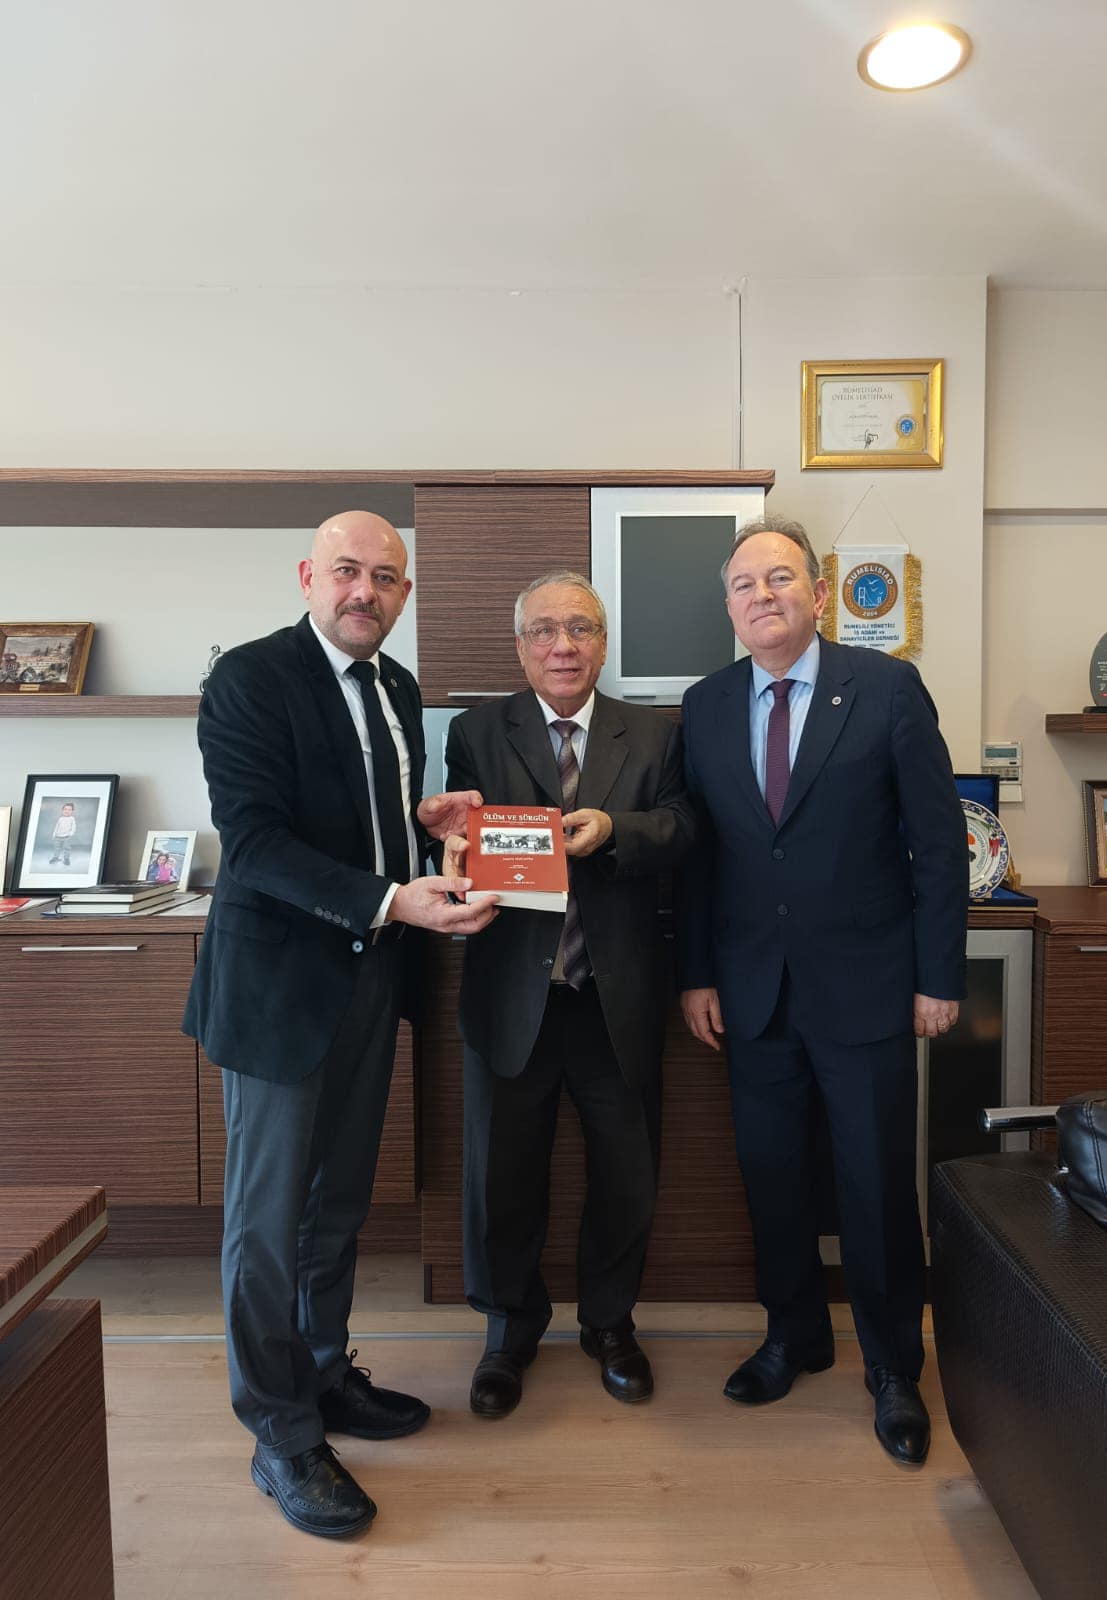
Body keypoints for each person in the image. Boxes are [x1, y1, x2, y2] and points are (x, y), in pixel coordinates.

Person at [183, 510, 498, 1539]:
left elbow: (360, 818)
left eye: (387, 577)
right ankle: (278, 1432)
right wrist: (394, 898)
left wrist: (424, 823)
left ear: (404, 593)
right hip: (278, 989)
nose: (367, 590)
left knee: (339, 1203)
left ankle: (322, 1373)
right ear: (308, 576)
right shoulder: (248, 678)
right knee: (267, 1222)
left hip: (371, 979)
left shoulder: (398, 687)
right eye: (349, 571)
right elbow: (256, 843)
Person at [676, 519, 966, 1466]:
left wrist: (937, 976)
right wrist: (698, 972)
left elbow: (938, 843)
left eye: (780, 577)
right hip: (752, 992)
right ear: (728, 606)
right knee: (773, 1177)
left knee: (875, 1184)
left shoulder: (885, 688)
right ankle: (794, 1335)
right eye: (744, 584)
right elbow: (702, 857)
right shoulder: (706, 705)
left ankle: (893, 1368)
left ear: (820, 592)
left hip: (869, 987)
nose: (762, 595)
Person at [443, 571, 695, 1420]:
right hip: (512, 994)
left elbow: (687, 828)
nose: (563, 646)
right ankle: (507, 1331)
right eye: (545, 630)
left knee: (626, 1174)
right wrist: (449, 846)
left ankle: (610, 1325)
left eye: (581, 629)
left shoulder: (653, 735)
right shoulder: (477, 731)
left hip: (614, 996)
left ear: (603, 643)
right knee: (502, 1176)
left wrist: (618, 830)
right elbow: (457, 834)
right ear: (520, 647)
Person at [47, 801, 76, 865]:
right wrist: (54, 834)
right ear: (62, 810)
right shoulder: (60, 818)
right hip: (58, 836)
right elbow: (57, 826)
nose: (67, 811)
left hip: (66, 836)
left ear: (72, 811)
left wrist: (71, 833)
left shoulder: (72, 818)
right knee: (57, 848)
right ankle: (55, 857)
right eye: (65, 809)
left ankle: (66, 859)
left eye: (69, 810)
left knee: (67, 848)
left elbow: (73, 827)